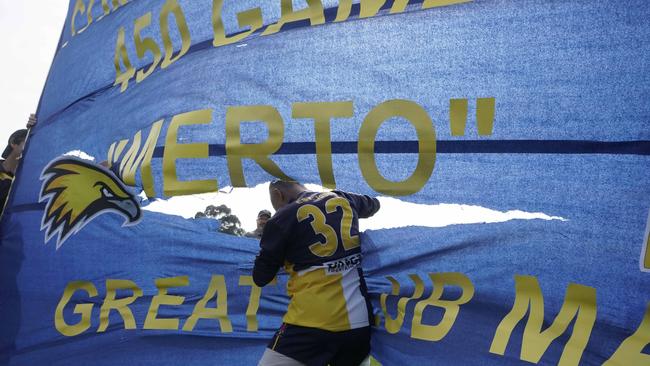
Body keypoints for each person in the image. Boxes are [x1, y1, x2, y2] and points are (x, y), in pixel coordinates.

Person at [253, 180, 380, 366]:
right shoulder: (342, 198)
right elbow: (374, 205)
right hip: (358, 323)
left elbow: (261, 277)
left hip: (310, 323)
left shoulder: (281, 219)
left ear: (277, 193)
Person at [1, 114, 37, 212]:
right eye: (28, 143)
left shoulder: (25, 184)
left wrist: (40, 125)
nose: (31, 149)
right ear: (13, 143)